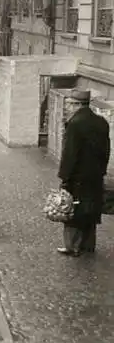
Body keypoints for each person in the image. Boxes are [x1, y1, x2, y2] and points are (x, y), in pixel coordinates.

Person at [57, 89, 111, 256]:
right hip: (95, 176)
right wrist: (101, 170)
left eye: (69, 104)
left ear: (77, 105)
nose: (66, 107)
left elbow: (70, 154)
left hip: (78, 177)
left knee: (72, 210)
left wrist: (64, 177)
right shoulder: (102, 122)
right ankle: (88, 245)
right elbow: (106, 150)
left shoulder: (75, 124)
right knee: (91, 210)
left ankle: (71, 246)